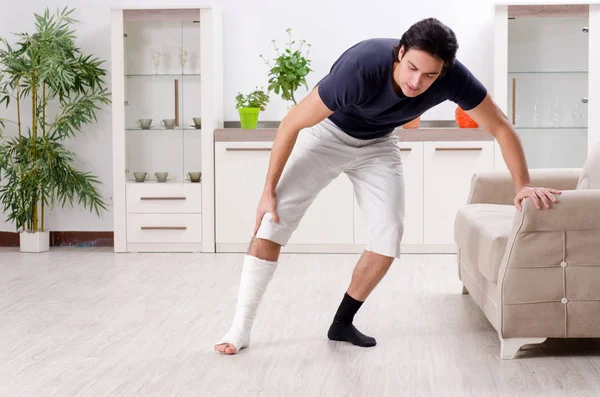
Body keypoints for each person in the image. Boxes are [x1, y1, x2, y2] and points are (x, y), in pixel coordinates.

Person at [214, 17, 561, 355]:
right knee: (272, 222)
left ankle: (342, 324)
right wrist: (267, 191)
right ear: (399, 52)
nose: (416, 82)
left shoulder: (453, 77)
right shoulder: (360, 69)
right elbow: (291, 123)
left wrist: (522, 185)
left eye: (429, 75)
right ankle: (240, 328)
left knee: (388, 235)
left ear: (444, 70)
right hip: (328, 135)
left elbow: (501, 126)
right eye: (411, 67)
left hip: (379, 143)